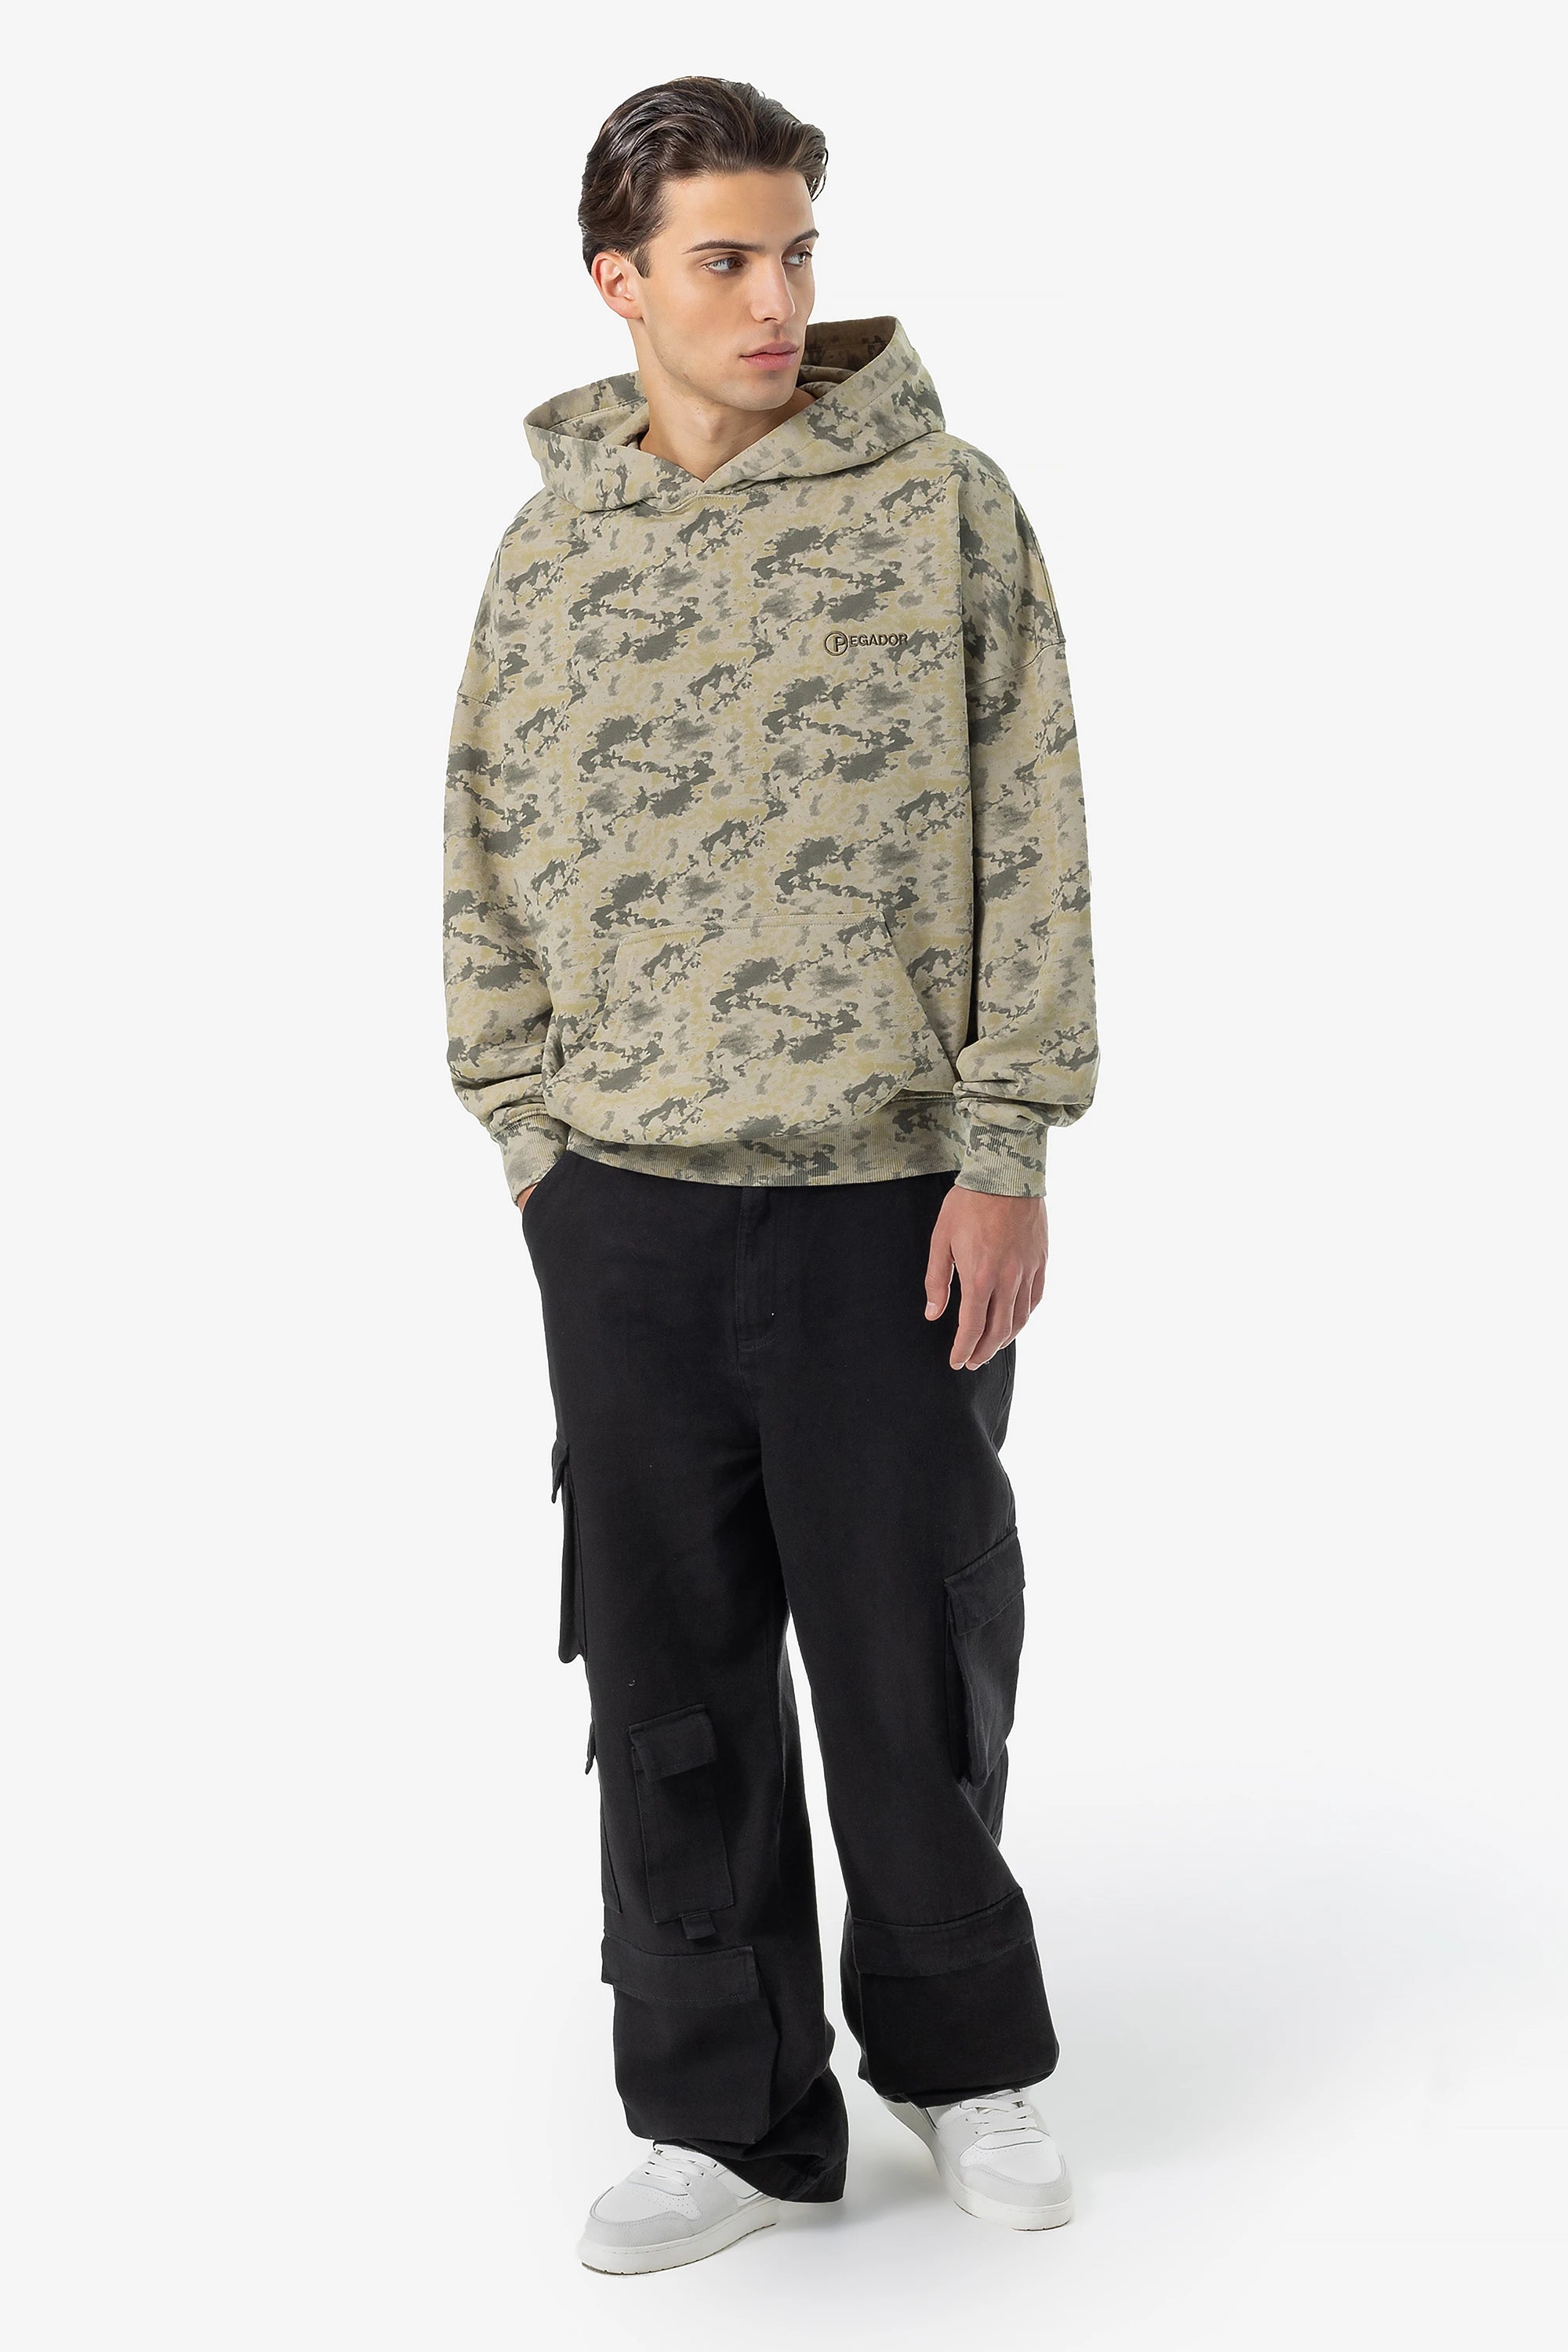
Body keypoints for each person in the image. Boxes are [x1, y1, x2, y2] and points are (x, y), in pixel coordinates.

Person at [443, 74, 1098, 2275]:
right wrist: (530, 1142)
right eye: (724, 259)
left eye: (796, 250)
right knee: (665, 1673)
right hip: (621, 1205)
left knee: (913, 1644)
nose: (775, 298)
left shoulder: (944, 508)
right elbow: (481, 844)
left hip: (891, 1196)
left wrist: (1006, 1144)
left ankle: (959, 2055)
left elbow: (1034, 825)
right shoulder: (552, 546)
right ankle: (726, 2110)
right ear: (617, 282)